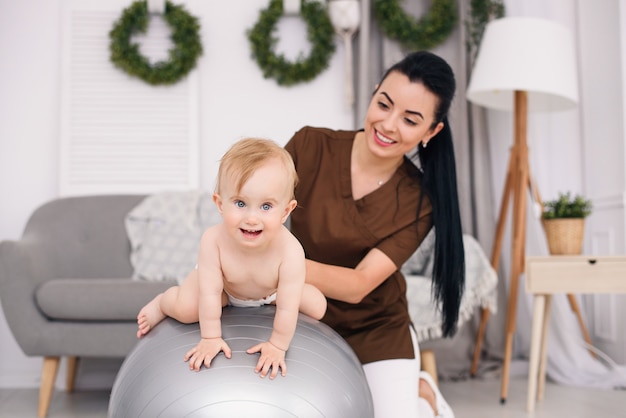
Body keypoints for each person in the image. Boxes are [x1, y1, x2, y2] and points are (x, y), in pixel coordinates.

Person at [284, 51, 465, 417]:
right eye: (384, 104)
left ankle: (419, 391)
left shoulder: (421, 200)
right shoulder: (309, 147)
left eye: (410, 120)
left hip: (376, 328)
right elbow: (259, 206)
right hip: (298, 313)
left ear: (431, 132)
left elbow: (358, 284)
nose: (388, 124)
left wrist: (275, 264)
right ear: (374, 93)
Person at [136, 138, 327, 379]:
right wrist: (211, 337)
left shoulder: (290, 251)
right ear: (220, 204)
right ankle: (163, 302)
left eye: (266, 206)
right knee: (185, 308)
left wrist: (278, 346)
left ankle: (276, 295)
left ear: (285, 211)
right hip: (224, 287)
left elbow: (289, 307)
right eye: (240, 203)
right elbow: (209, 293)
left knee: (318, 306)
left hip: (270, 291)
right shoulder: (213, 240)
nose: (251, 218)